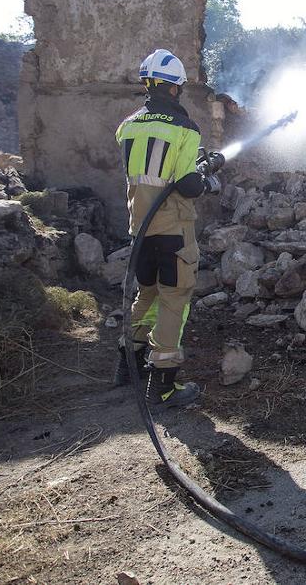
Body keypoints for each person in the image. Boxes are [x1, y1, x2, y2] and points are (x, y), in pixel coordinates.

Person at [114, 49, 218, 407]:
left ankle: (127, 366)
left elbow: (151, 174)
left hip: (139, 231)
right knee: (174, 301)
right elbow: (188, 185)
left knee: (146, 295)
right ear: (175, 89)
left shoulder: (126, 127)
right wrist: (205, 177)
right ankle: (164, 385)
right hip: (173, 230)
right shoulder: (185, 130)